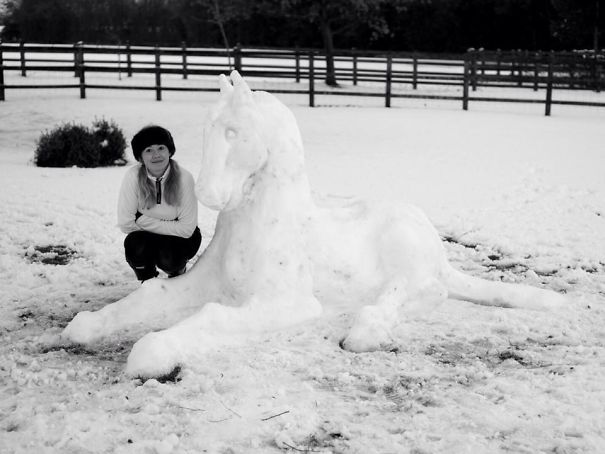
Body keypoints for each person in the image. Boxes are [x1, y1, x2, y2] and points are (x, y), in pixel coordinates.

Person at [117, 125, 201, 281]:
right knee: (135, 245)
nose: (156, 155)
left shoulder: (184, 178)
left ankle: (177, 275)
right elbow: (125, 223)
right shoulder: (133, 176)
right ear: (140, 157)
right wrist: (165, 226)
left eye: (161, 148)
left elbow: (186, 229)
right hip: (149, 235)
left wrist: (141, 219)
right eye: (148, 150)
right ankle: (148, 283)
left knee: (169, 255)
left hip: (180, 240)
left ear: (170, 151)